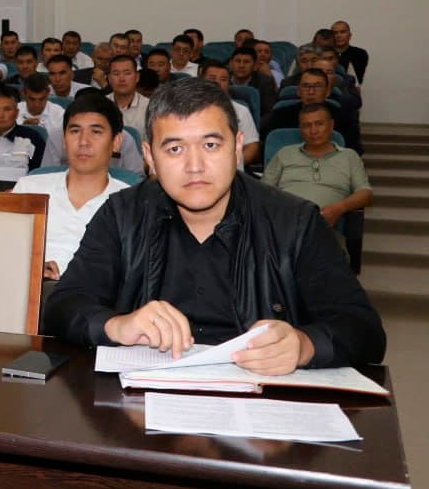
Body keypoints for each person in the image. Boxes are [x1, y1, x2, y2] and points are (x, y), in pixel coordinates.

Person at [44, 79, 385, 374]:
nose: (195, 166)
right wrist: (117, 325)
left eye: (210, 145)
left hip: (261, 412)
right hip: (143, 404)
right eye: (175, 148)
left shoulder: (294, 222)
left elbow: (364, 331)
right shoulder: (122, 215)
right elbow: (64, 306)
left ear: (237, 146)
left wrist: (303, 344)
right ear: (149, 157)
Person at [13, 93, 130, 281]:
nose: (83, 142)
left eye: (96, 132)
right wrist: (31, 268)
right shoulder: (29, 189)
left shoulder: (130, 202)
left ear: (116, 142)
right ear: (64, 140)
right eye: (75, 131)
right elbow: (5, 252)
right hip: (32, 295)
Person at [262, 103, 373, 250]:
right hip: (285, 224)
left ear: (331, 125)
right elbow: (262, 191)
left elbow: (366, 193)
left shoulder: (349, 156)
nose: (313, 131)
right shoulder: (285, 154)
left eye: (319, 124)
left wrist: (340, 208)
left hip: (323, 227)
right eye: (307, 126)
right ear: (300, 129)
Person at [200, 62, 261, 168]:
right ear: (200, 81)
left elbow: (252, 147)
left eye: (223, 79)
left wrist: (233, 164)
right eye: (212, 78)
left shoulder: (240, 111)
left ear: (229, 84)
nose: (217, 83)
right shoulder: (185, 108)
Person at [227, 46, 277, 118]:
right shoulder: (223, 79)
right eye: (238, 61)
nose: (241, 65)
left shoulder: (265, 82)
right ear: (231, 64)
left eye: (246, 62)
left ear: (255, 65)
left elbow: (268, 114)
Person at [107, 54, 147, 136]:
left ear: (137, 77)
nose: (122, 79)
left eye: (127, 73)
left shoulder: (149, 107)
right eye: (116, 73)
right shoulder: (100, 105)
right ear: (109, 79)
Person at [331, 20, 368, 85]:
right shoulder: (325, 53)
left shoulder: (360, 53)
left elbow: (357, 79)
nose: (339, 36)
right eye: (335, 33)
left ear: (350, 35)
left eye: (342, 32)